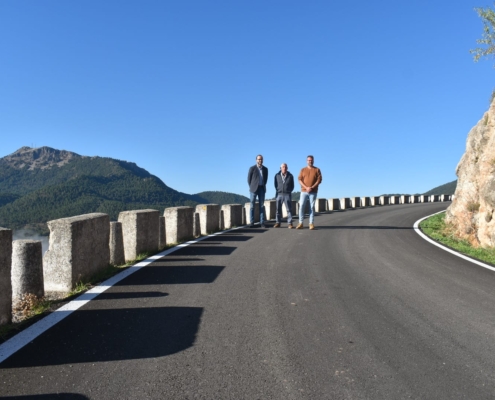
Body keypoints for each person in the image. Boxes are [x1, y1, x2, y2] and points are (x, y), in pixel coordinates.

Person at [297, 155, 322, 230]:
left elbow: (319, 180)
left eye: (311, 160)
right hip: (304, 191)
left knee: (311, 207)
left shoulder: (317, 170)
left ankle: (311, 223)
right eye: (308, 160)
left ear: (313, 161)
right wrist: (306, 187)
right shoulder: (303, 170)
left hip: (313, 191)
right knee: (301, 206)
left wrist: (312, 187)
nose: (310, 161)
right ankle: (300, 223)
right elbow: (299, 180)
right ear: (306, 161)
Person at [247, 154, 268, 228]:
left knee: (261, 206)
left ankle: (262, 222)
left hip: (262, 188)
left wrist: (262, 185)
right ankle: (252, 222)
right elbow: (249, 179)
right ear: (256, 160)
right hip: (253, 189)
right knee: (252, 206)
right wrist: (252, 186)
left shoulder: (265, 169)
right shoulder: (252, 168)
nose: (260, 160)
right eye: (259, 159)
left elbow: (265, 179)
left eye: (261, 159)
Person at [273, 163, 294, 228]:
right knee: (278, 209)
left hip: (287, 194)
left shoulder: (290, 176)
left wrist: (288, 191)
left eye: (285, 167)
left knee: (289, 210)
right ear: (280, 168)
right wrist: (278, 190)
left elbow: (292, 186)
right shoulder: (277, 175)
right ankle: (278, 222)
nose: (284, 168)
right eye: (283, 167)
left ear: (287, 168)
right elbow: (275, 185)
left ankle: (290, 223)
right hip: (279, 194)